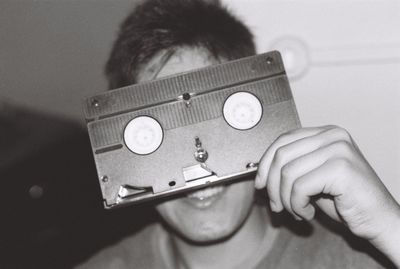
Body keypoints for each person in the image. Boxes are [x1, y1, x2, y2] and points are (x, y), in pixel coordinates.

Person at [76, 0, 400, 268]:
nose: (198, 158)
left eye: (222, 118)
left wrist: (390, 225)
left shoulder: (353, 258)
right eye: (156, 133)